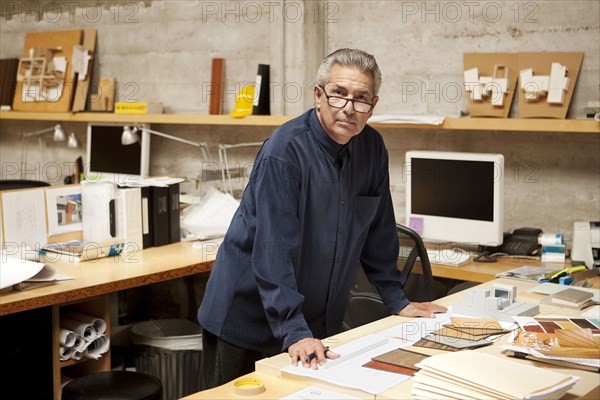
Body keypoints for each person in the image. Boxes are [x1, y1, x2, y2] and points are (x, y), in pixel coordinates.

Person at [198, 48, 446, 389]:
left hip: (311, 325)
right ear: (318, 95)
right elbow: (273, 249)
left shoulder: (372, 148)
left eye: (361, 99)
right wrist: (294, 329)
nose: (349, 107)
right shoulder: (284, 153)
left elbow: (379, 233)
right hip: (247, 319)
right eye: (339, 94)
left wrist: (397, 300)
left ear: (373, 105)